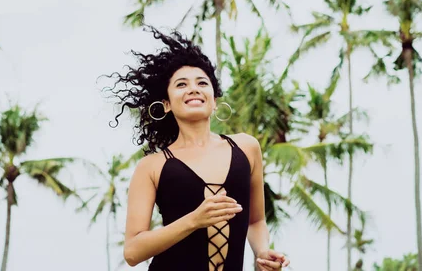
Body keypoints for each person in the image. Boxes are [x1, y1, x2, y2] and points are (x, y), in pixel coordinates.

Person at [108, 26, 290, 271]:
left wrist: (263, 253)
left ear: (214, 101)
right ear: (166, 104)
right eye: (181, 85)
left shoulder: (246, 148)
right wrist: (194, 220)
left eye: (202, 83)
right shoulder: (153, 166)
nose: (193, 88)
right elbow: (132, 252)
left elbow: (255, 220)